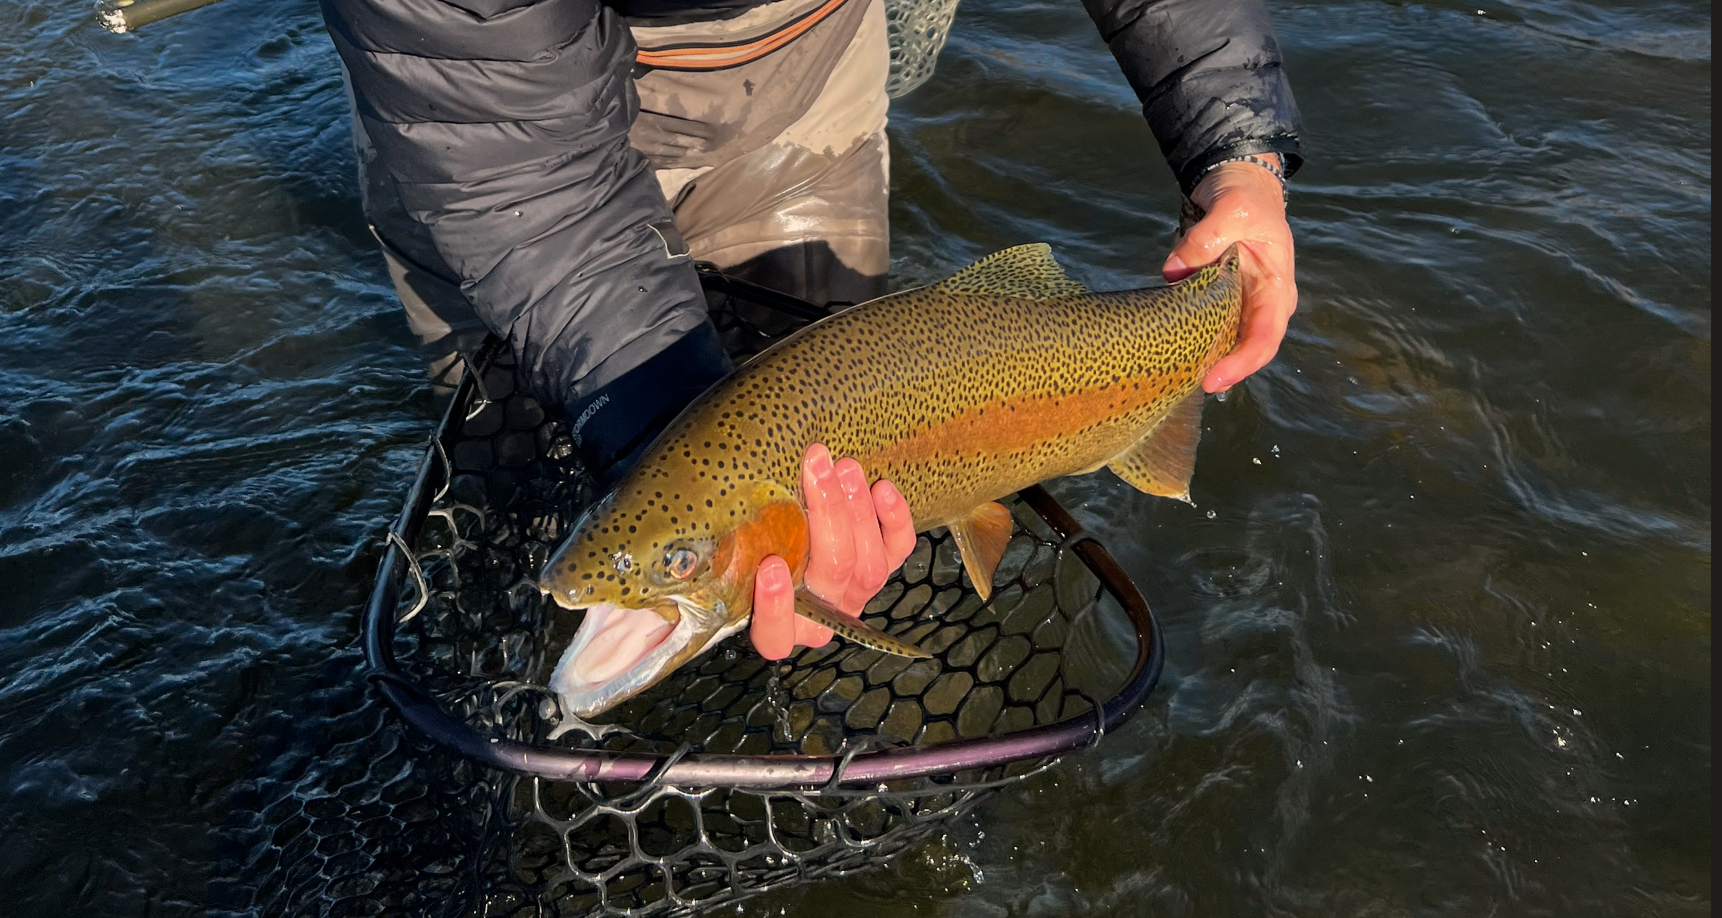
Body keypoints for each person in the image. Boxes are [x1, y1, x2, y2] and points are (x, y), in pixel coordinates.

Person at [321, 0, 1301, 664]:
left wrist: (1238, 154)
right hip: (490, 128)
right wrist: (653, 441)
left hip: (799, 54)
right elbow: (518, 176)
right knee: (536, 491)